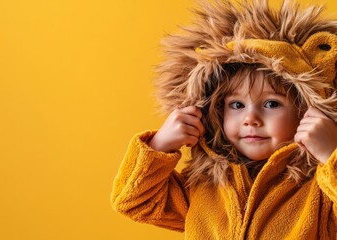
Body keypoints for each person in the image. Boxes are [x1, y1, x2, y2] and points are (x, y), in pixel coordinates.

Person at [111, 0, 337, 239]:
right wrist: (160, 146)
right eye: (237, 105)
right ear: (215, 112)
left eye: (272, 104)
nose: (250, 119)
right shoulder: (205, 187)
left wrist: (331, 153)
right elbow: (133, 201)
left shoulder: (320, 191)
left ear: (308, 111)